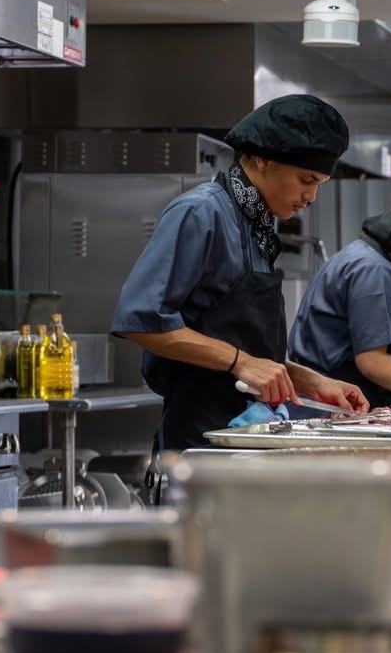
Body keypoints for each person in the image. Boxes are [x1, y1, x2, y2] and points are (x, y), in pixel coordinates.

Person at [113, 93, 371, 450]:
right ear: (264, 159)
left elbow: (241, 349)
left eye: (318, 185)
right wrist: (242, 362)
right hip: (201, 441)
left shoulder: (258, 225)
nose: (311, 197)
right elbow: (139, 319)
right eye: (306, 180)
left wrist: (311, 381)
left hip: (249, 436)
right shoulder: (202, 212)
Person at [288, 205, 391, 407]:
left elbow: (381, 360)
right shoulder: (374, 271)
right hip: (332, 408)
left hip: (327, 401)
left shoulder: (360, 257)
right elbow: (374, 363)